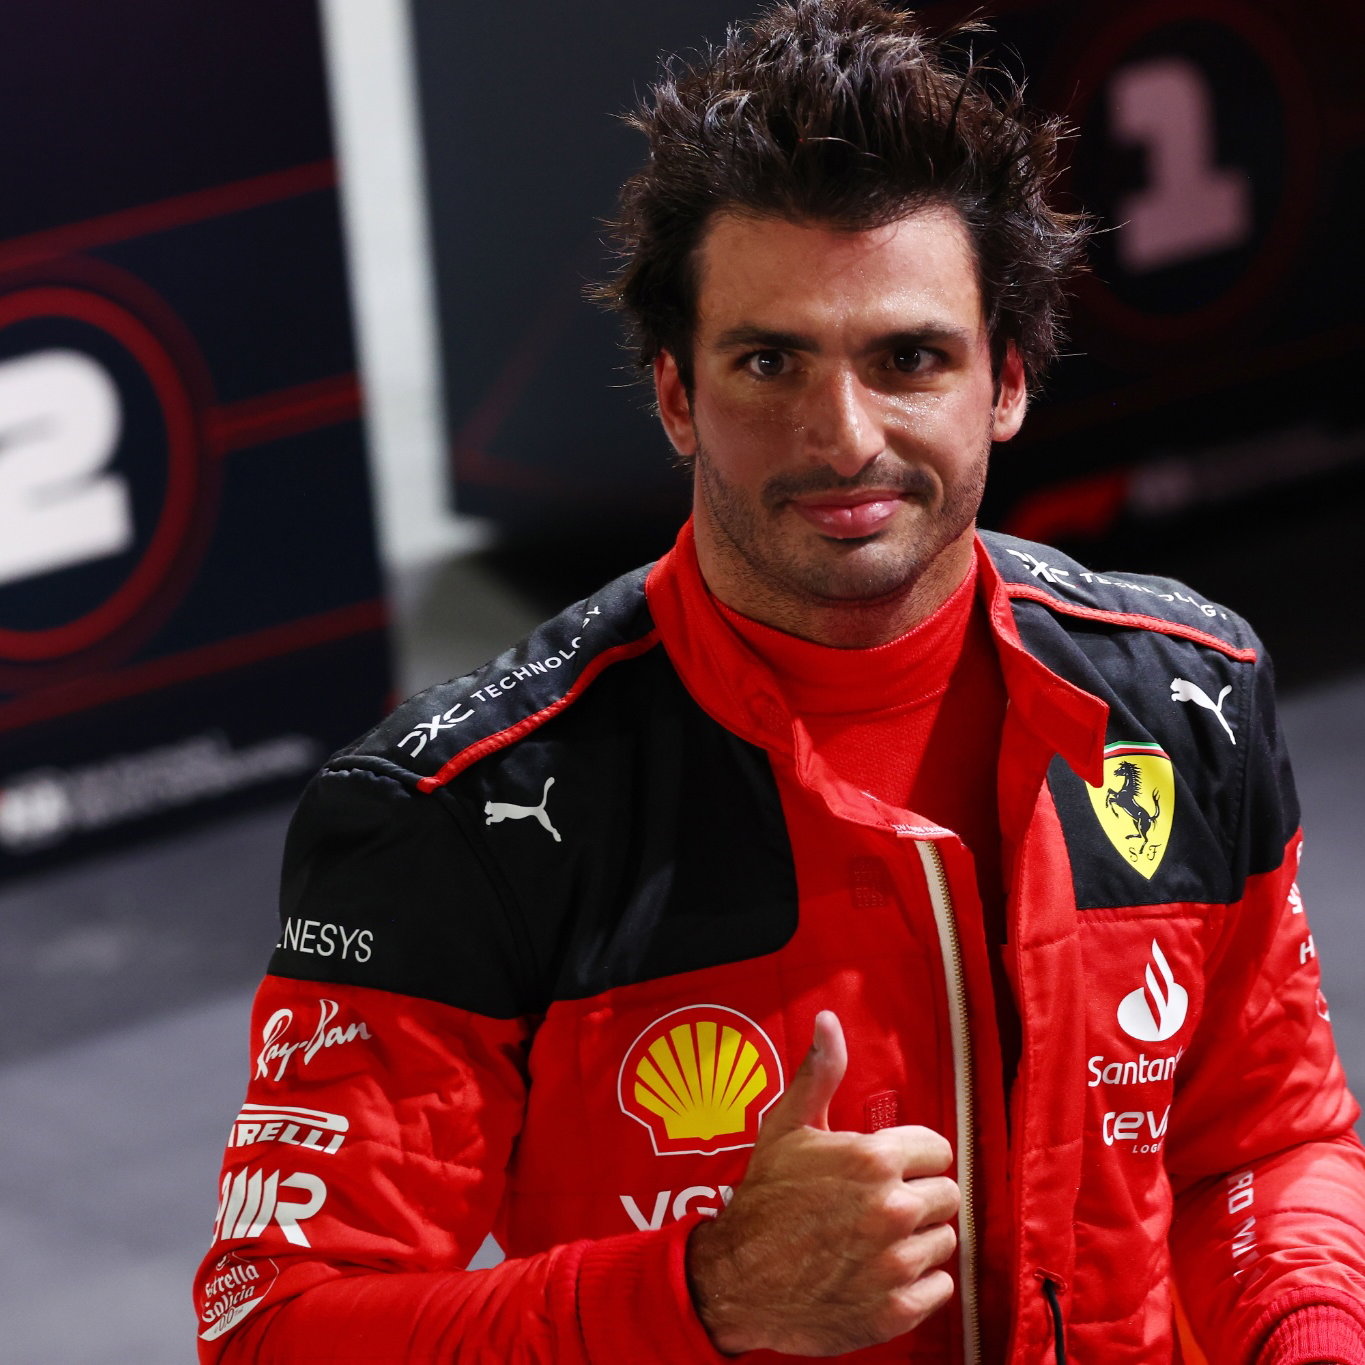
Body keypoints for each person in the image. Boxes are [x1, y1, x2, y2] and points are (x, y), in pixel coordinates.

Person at [194, 2, 1365, 1360]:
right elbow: (272, 1325)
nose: (843, 435)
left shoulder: (1186, 691)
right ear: (676, 394)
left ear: (1007, 380)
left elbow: (1259, 1141)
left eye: (908, 357)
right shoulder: (449, 818)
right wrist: (700, 1294)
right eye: (768, 362)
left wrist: (1305, 1332)